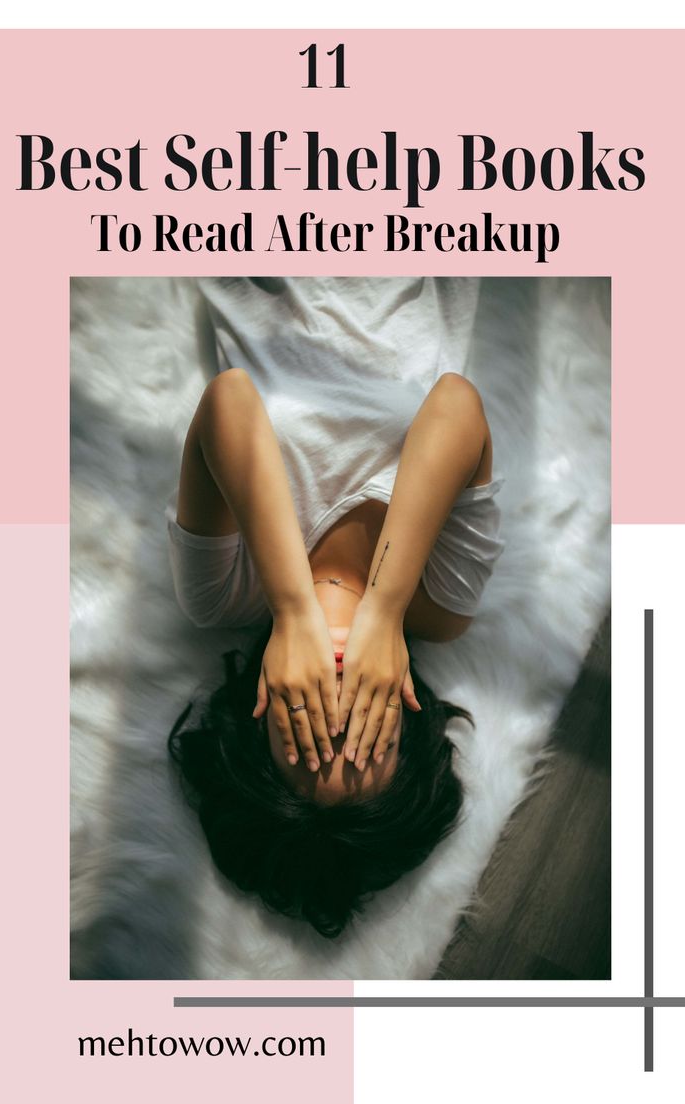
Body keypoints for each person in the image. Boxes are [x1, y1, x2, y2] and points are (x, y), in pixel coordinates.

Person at [166, 277, 504, 938]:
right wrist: (383, 609)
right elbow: (456, 405)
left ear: (259, 724)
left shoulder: (223, 594)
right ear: (404, 724)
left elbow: (228, 401)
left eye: (310, 734)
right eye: (362, 733)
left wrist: (293, 610)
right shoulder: (442, 605)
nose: (337, 702)